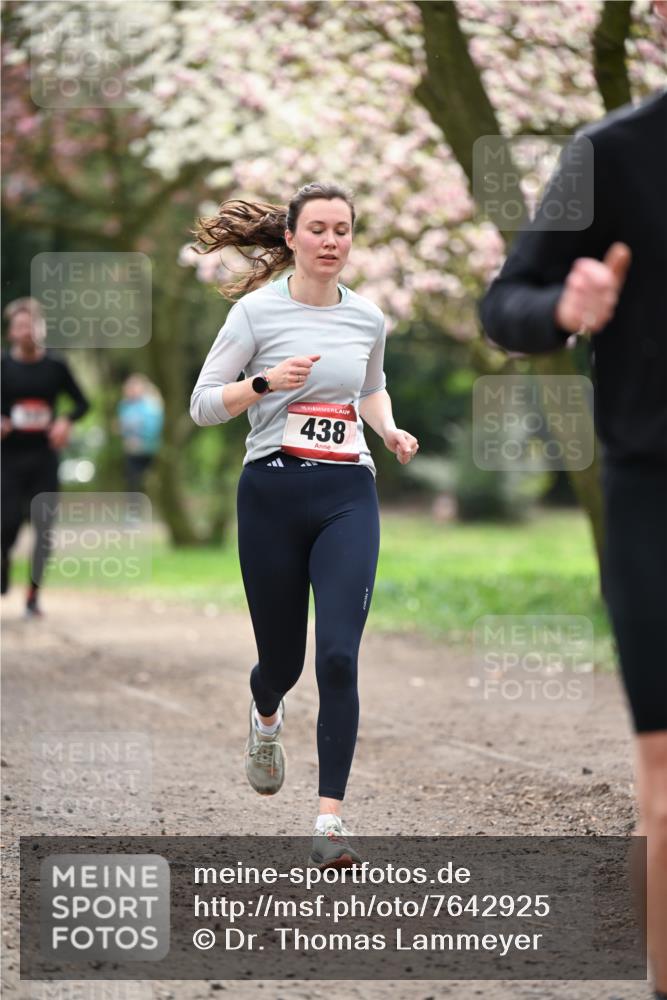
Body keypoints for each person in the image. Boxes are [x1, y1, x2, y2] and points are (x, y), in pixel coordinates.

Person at [479, 81, 667, 998]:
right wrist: (564, 307)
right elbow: (502, 301)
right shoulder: (610, 154)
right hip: (653, 491)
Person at [190, 182, 419, 868]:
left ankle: (328, 821)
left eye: (341, 229)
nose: (330, 240)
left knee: (340, 658)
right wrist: (264, 385)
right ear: (290, 237)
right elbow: (204, 405)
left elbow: (369, 387)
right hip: (270, 494)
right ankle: (265, 714)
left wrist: (388, 429)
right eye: (317, 228)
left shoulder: (368, 318)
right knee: (283, 665)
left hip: (348, 491)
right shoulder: (254, 316)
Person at [1, 297, 90, 618]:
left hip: (44, 458)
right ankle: (4, 560)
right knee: (6, 523)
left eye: (33, 325)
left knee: (43, 527)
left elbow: (82, 403)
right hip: (8, 458)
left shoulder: (56, 366)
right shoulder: (3, 366)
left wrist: (65, 421)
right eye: (20, 326)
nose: (27, 332)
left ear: (42, 329)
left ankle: (32, 597)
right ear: (11, 332)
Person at [116, 374, 164, 493]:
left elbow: (154, 427)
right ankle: (134, 509)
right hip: (131, 450)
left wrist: (141, 438)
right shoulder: (124, 405)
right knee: (132, 481)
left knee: (147, 482)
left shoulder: (151, 404)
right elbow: (122, 426)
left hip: (148, 449)